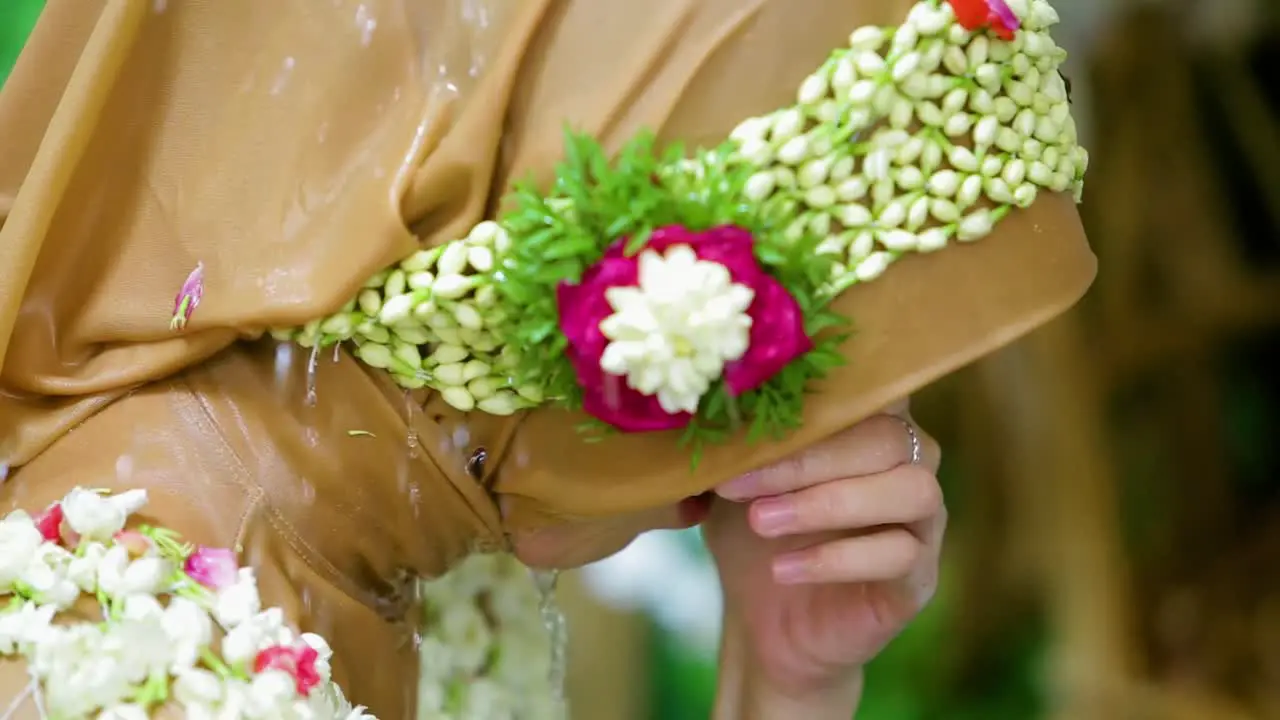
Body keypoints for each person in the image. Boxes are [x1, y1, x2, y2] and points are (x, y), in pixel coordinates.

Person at [0, 0, 1092, 718]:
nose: (851, 439)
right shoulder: (130, 662)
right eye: (796, 369)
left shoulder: (415, 557)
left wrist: (783, 677)